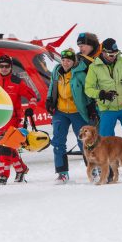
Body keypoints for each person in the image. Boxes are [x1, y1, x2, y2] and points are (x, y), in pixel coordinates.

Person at [85, 38, 122, 174]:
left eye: (115, 54)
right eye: (111, 55)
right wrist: (102, 94)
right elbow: (88, 89)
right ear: (103, 52)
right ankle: (109, 170)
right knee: (105, 140)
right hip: (107, 109)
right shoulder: (94, 67)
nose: (114, 57)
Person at [46, 48, 91, 183]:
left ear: (74, 61)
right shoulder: (56, 71)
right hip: (60, 112)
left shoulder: (80, 74)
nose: (65, 63)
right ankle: (62, 173)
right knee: (58, 142)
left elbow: (88, 91)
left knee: (84, 142)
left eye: (68, 61)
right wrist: (49, 100)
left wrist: (91, 106)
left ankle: (93, 170)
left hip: (78, 112)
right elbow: (51, 87)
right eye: (63, 60)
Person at [0, 55, 38, 185]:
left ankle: (3, 175)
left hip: (13, 120)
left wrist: (30, 109)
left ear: (11, 67)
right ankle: (21, 169)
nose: (4, 68)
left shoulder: (18, 82)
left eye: (7, 66)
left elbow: (33, 96)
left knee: (4, 148)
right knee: (10, 148)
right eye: (1, 66)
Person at [76, 32, 100, 125]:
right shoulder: (80, 58)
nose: (80, 48)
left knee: (102, 135)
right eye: (79, 46)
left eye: (82, 45)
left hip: (100, 104)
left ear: (91, 45)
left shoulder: (104, 56)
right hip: (85, 104)